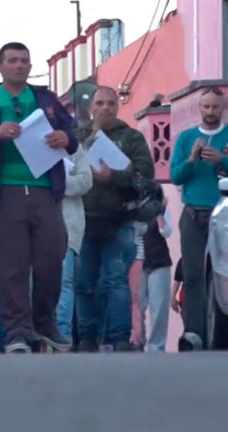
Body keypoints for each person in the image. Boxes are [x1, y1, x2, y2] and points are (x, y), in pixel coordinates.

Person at [0, 42, 78, 353]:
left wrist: (66, 138)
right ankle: (17, 331)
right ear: (0, 66)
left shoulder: (45, 99)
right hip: (3, 193)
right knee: (10, 267)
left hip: (44, 191)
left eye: (24, 60)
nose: (19, 65)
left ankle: (45, 322)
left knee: (52, 259)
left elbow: (73, 132)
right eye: (12, 60)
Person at [74, 86, 154, 352]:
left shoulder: (131, 138)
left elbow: (145, 178)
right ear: (91, 108)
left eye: (110, 103)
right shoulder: (77, 138)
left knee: (116, 280)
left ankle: (119, 337)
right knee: (84, 282)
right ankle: (87, 336)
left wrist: (114, 178)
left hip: (120, 219)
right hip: (83, 221)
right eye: (100, 103)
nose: (106, 108)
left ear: (117, 107)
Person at [170, 86, 228, 351]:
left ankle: (219, 333)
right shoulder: (186, 138)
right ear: (199, 108)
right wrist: (192, 159)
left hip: (223, 215)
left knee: (220, 275)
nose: (210, 111)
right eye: (206, 106)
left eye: (215, 106)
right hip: (193, 214)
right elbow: (176, 176)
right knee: (193, 276)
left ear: (223, 107)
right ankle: (194, 333)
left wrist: (222, 162)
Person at [55, 145, 93, 343]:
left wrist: (57, 181)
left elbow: (86, 181)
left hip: (69, 226)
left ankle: (63, 334)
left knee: (64, 281)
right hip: (37, 224)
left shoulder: (74, 147)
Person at [139, 200, 173, 352]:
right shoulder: (132, 208)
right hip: (138, 262)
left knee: (159, 307)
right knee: (137, 306)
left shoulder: (161, 210)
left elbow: (166, 232)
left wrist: (159, 213)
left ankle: (156, 347)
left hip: (159, 262)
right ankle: (138, 341)